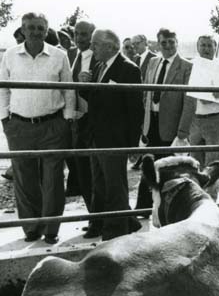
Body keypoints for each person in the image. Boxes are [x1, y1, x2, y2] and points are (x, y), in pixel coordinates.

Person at [0, 12, 74, 244]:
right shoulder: (10, 55)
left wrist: (67, 119)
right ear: (22, 29)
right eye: (30, 27)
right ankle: (31, 228)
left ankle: (51, 229)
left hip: (52, 125)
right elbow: (2, 89)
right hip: (19, 126)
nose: (35, 32)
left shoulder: (59, 56)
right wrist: (4, 120)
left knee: (53, 180)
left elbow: (69, 89)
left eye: (40, 28)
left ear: (46, 30)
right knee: (24, 177)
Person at [83, 28, 143, 240]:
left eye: (95, 44)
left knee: (115, 186)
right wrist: (84, 85)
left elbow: (136, 110)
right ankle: (98, 223)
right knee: (98, 184)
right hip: (96, 137)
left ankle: (116, 230)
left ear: (110, 46)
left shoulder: (128, 70)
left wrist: (133, 144)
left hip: (114, 139)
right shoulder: (99, 66)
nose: (92, 48)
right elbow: (96, 101)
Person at [134, 28, 195, 209]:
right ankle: (143, 207)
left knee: (169, 169)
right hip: (150, 121)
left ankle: (169, 208)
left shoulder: (186, 67)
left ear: (177, 42)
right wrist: (142, 125)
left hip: (171, 125)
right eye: (164, 43)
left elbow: (189, 101)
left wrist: (182, 133)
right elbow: (145, 92)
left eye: (171, 42)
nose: (168, 46)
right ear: (157, 44)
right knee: (148, 164)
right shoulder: (153, 62)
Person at [186, 35, 219, 198]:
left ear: (215, 47)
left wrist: (217, 93)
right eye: (202, 45)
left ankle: (211, 199)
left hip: (215, 118)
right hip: (195, 119)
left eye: (209, 46)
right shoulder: (191, 66)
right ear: (197, 47)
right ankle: (196, 198)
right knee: (194, 163)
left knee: (214, 162)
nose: (205, 49)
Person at [65, 20, 96, 214]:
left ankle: (101, 218)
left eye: (84, 34)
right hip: (76, 121)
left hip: (93, 122)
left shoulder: (99, 58)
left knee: (95, 173)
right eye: (76, 33)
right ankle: (93, 215)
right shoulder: (73, 55)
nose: (79, 38)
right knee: (82, 171)